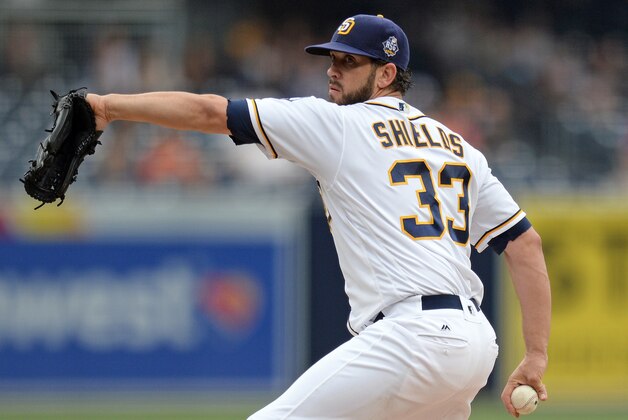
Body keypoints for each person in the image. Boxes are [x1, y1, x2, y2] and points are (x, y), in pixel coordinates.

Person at [86, 14, 551, 419]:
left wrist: (109, 107)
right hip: (473, 345)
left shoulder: (339, 124)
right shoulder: (459, 147)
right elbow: (523, 243)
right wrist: (534, 355)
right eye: (332, 59)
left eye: (350, 62)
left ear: (387, 73)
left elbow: (211, 111)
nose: (333, 71)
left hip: (411, 337)